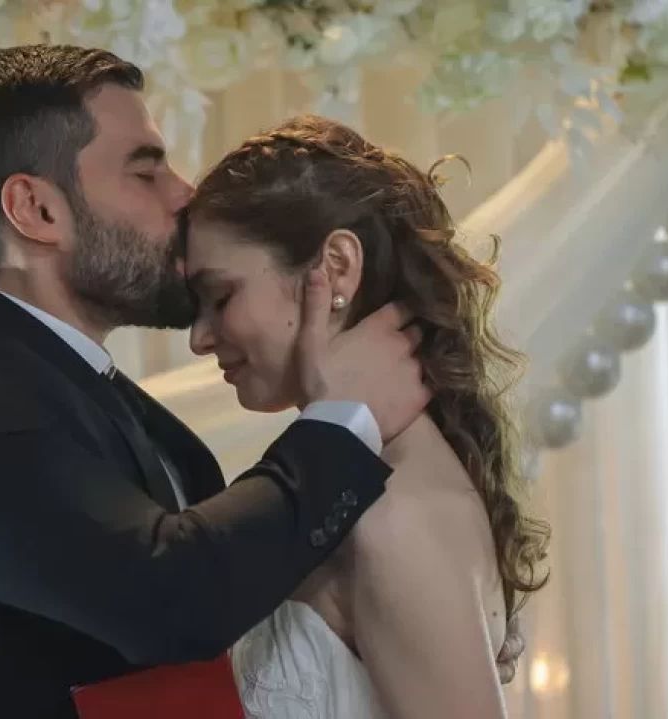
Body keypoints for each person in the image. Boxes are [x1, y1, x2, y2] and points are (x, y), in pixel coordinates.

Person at [0, 45, 434, 718]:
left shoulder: (103, 399)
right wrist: (344, 418)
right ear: (36, 209)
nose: (184, 194)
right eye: (146, 171)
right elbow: (173, 596)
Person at [184, 115, 552, 717]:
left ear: (336, 266)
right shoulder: (362, 487)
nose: (199, 338)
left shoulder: (392, 516)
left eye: (221, 296)